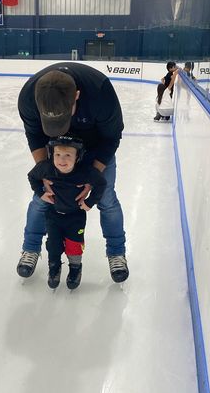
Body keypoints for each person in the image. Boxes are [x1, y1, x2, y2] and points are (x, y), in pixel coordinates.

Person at [17, 62, 129, 283]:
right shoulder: (29, 96)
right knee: (43, 198)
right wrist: (44, 172)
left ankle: (116, 252)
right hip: (59, 153)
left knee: (106, 199)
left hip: (96, 150)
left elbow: (112, 138)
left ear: (77, 96)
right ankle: (30, 248)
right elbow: (34, 134)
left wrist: (93, 177)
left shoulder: (100, 93)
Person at [27, 135, 107, 290]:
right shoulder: (46, 168)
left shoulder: (85, 172)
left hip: (75, 218)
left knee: (74, 246)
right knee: (53, 245)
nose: (62, 160)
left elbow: (101, 183)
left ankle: (75, 269)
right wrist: (40, 192)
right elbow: (32, 176)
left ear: (78, 157)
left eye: (68, 155)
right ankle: (54, 268)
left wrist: (90, 202)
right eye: (57, 155)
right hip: (53, 216)